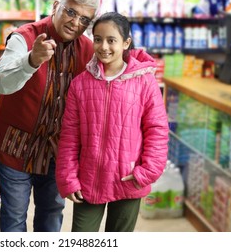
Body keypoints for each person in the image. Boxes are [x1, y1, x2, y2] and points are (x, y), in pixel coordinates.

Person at [0, 0, 100, 232]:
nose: (75, 22)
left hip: (56, 152)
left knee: (51, 216)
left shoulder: (89, 50)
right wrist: (31, 60)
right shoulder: (24, 36)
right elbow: (1, 84)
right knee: (15, 218)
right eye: (71, 12)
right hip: (15, 148)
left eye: (84, 19)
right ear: (55, 6)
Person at [55, 12, 169, 232]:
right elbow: (70, 135)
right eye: (98, 39)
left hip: (128, 179)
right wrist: (68, 178)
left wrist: (147, 172)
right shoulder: (80, 84)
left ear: (126, 43)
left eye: (111, 40)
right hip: (88, 181)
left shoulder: (144, 81)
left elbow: (157, 129)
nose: (103, 46)